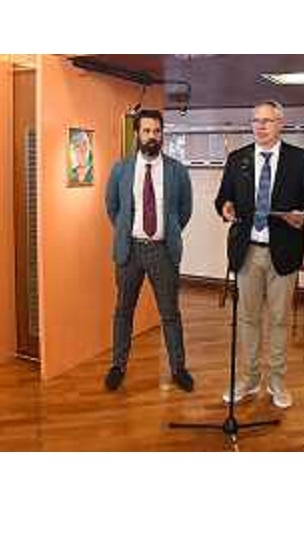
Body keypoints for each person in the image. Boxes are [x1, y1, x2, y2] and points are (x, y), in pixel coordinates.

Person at [215, 100, 304, 409]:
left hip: (284, 252)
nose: (260, 126)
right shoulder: (238, 159)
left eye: (267, 121)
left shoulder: (300, 159)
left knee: (279, 320)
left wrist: (303, 216)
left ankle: (277, 382)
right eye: (256, 121)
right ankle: (248, 379)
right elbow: (223, 198)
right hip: (247, 251)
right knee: (247, 319)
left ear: (281, 124)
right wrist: (225, 208)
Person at [104, 109, 195, 393]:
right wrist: (126, 231)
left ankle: (178, 369)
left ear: (162, 134)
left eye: (157, 131)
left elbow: (185, 210)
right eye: (146, 131)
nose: (152, 136)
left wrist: (167, 233)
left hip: (163, 252)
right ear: (137, 134)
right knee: (123, 311)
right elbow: (112, 208)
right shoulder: (121, 170)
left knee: (170, 314)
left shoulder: (177, 171)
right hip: (129, 251)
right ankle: (118, 366)